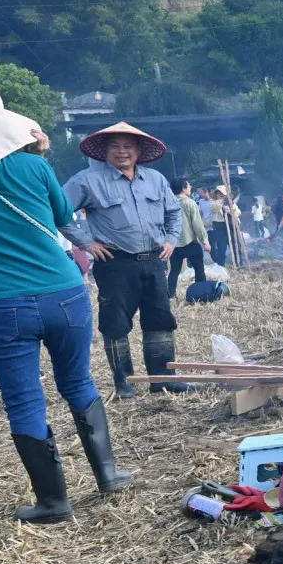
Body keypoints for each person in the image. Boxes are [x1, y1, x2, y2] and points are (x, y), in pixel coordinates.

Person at [0, 86, 135, 522]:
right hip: (64, 292)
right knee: (78, 383)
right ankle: (107, 475)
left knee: (24, 400)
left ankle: (53, 501)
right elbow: (59, 216)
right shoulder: (34, 165)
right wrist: (36, 150)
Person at [61, 121, 185, 398]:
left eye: (128, 146)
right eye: (115, 147)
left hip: (153, 261)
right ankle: (124, 383)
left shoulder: (156, 179)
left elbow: (174, 213)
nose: (122, 152)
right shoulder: (87, 181)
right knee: (115, 324)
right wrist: (86, 242)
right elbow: (57, 211)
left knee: (160, 320)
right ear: (104, 152)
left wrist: (171, 239)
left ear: (139, 150)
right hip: (114, 264)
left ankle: (162, 380)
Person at [168, 179, 208, 300]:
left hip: (173, 244)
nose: (190, 187)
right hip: (190, 242)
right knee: (199, 269)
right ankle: (200, 294)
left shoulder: (167, 203)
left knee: (174, 271)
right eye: (189, 186)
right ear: (183, 188)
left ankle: (170, 295)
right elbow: (197, 224)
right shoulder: (190, 203)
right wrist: (205, 240)